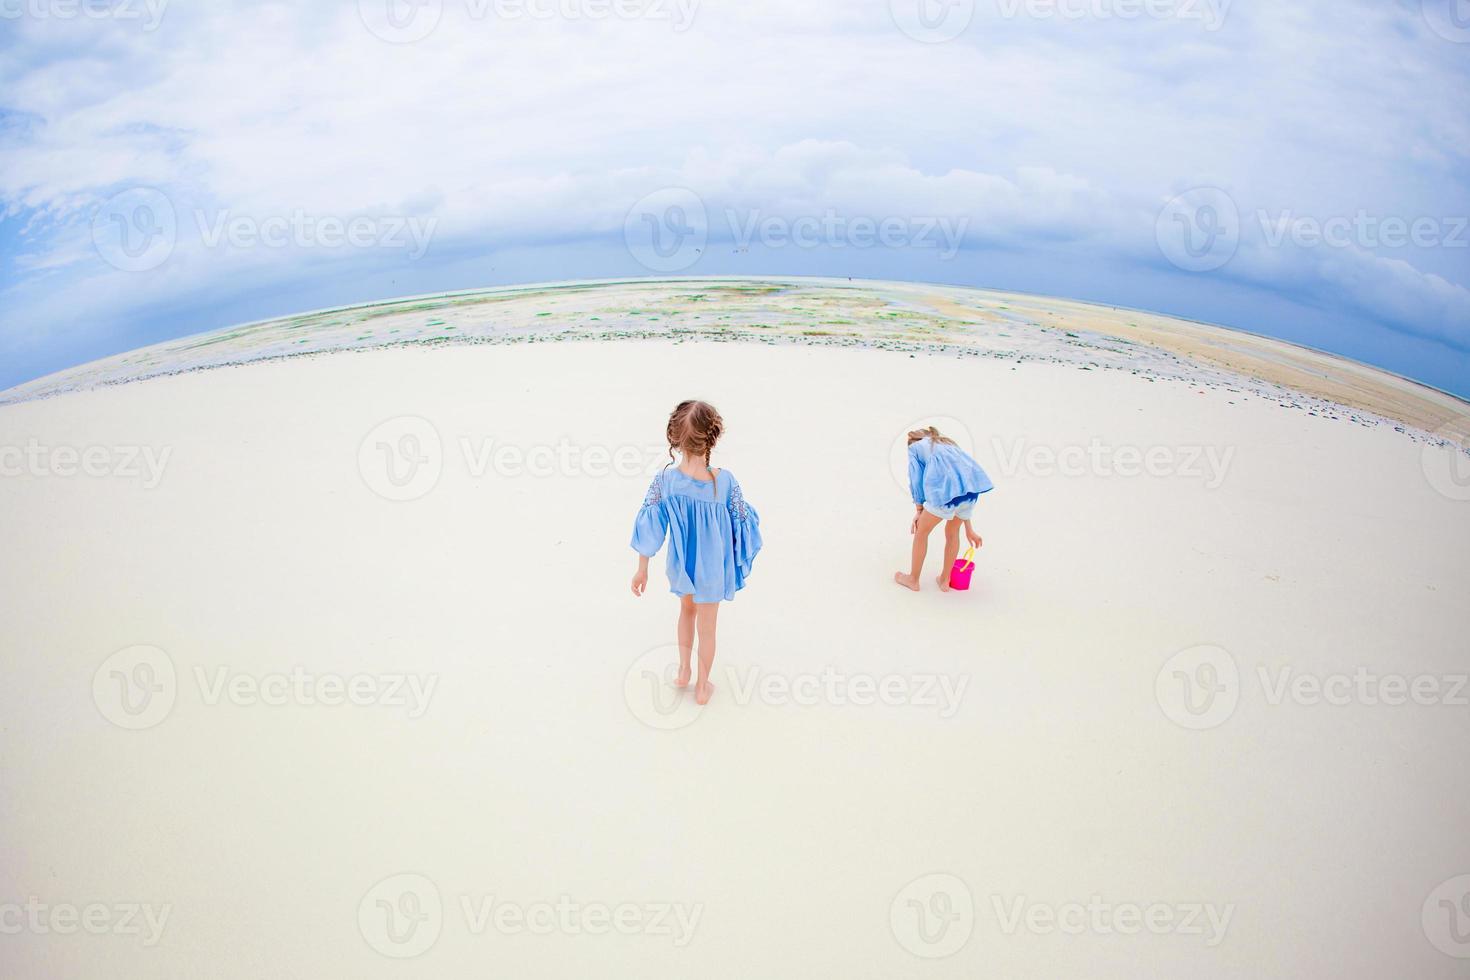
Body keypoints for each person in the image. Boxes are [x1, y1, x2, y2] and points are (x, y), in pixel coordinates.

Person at [630, 400, 762, 705]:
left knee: (685, 613)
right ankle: (703, 686)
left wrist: (642, 567)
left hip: (682, 565)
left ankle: (683, 670)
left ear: (675, 438)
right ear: (712, 438)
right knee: (708, 627)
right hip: (713, 569)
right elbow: (742, 520)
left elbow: (650, 520)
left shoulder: (666, 481)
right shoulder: (725, 481)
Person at [894, 426, 990, 592]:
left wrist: (919, 510)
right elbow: (961, 486)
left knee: (921, 533)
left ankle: (913, 579)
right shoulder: (948, 444)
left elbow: (916, 479)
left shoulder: (915, 448)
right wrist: (969, 529)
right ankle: (945, 580)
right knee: (952, 533)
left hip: (943, 497)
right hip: (970, 494)